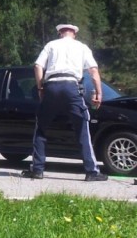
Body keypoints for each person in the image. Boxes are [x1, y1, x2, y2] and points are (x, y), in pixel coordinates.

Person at [22, 23, 108, 182]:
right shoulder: (82, 47)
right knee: (82, 126)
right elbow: (94, 71)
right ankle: (92, 172)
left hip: (52, 87)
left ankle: (37, 169)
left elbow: (37, 66)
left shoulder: (51, 45)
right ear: (74, 34)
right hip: (71, 87)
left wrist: (41, 88)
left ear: (60, 33)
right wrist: (98, 93)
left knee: (41, 127)